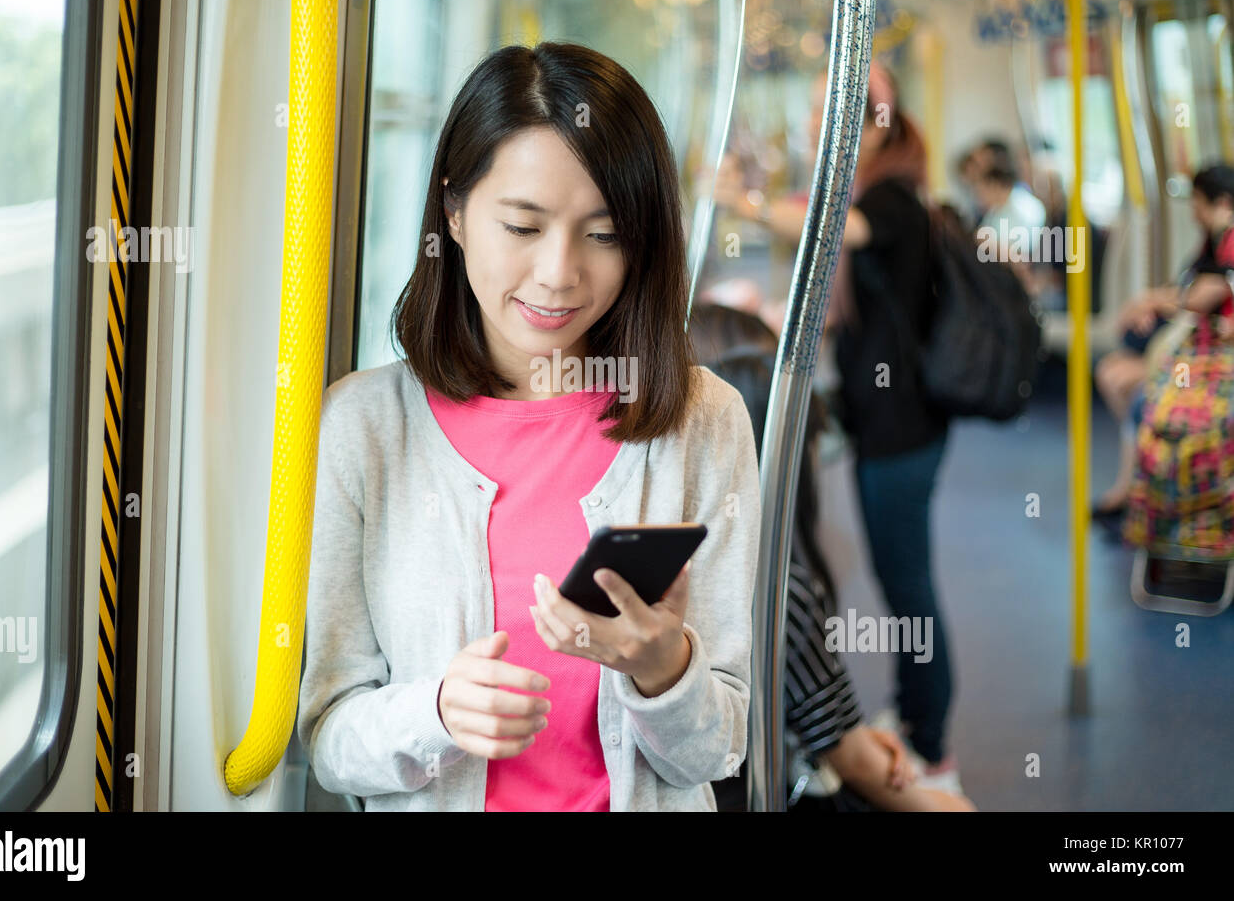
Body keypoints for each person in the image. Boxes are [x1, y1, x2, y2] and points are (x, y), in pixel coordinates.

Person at [296, 42, 762, 811]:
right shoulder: (363, 429)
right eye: (522, 226)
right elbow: (330, 743)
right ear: (454, 211)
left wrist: (662, 667)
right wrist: (436, 711)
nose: (559, 272)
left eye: (604, 235)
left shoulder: (701, 422)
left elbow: (718, 751)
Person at [714, 63, 964, 794]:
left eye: (834, 112)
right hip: (886, 420)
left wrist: (745, 204)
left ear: (874, 120)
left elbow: (833, 229)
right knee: (900, 580)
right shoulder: (878, 189)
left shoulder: (891, 197)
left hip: (904, 428)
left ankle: (933, 746)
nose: (819, 127)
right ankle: (921, 724)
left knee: (907, 584)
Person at [691, 303, 975, 812]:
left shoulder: (686, 548)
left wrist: (855, 733)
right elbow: (847, 755)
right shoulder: (779, 586)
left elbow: (833, 725)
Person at [1092, 163, 1234, 527]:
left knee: (1138, 394)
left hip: (1211, 358)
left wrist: (1153, 302)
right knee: (1112, 373)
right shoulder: (1210, 243)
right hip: (1193, 349)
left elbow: (1202, 297)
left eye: (1198, 202)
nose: (1193, 212)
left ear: (1220, 203)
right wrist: (1153, 304)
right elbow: (1188, 290)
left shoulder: (1229, 243)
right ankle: (1138, 482)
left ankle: (1139, 488)